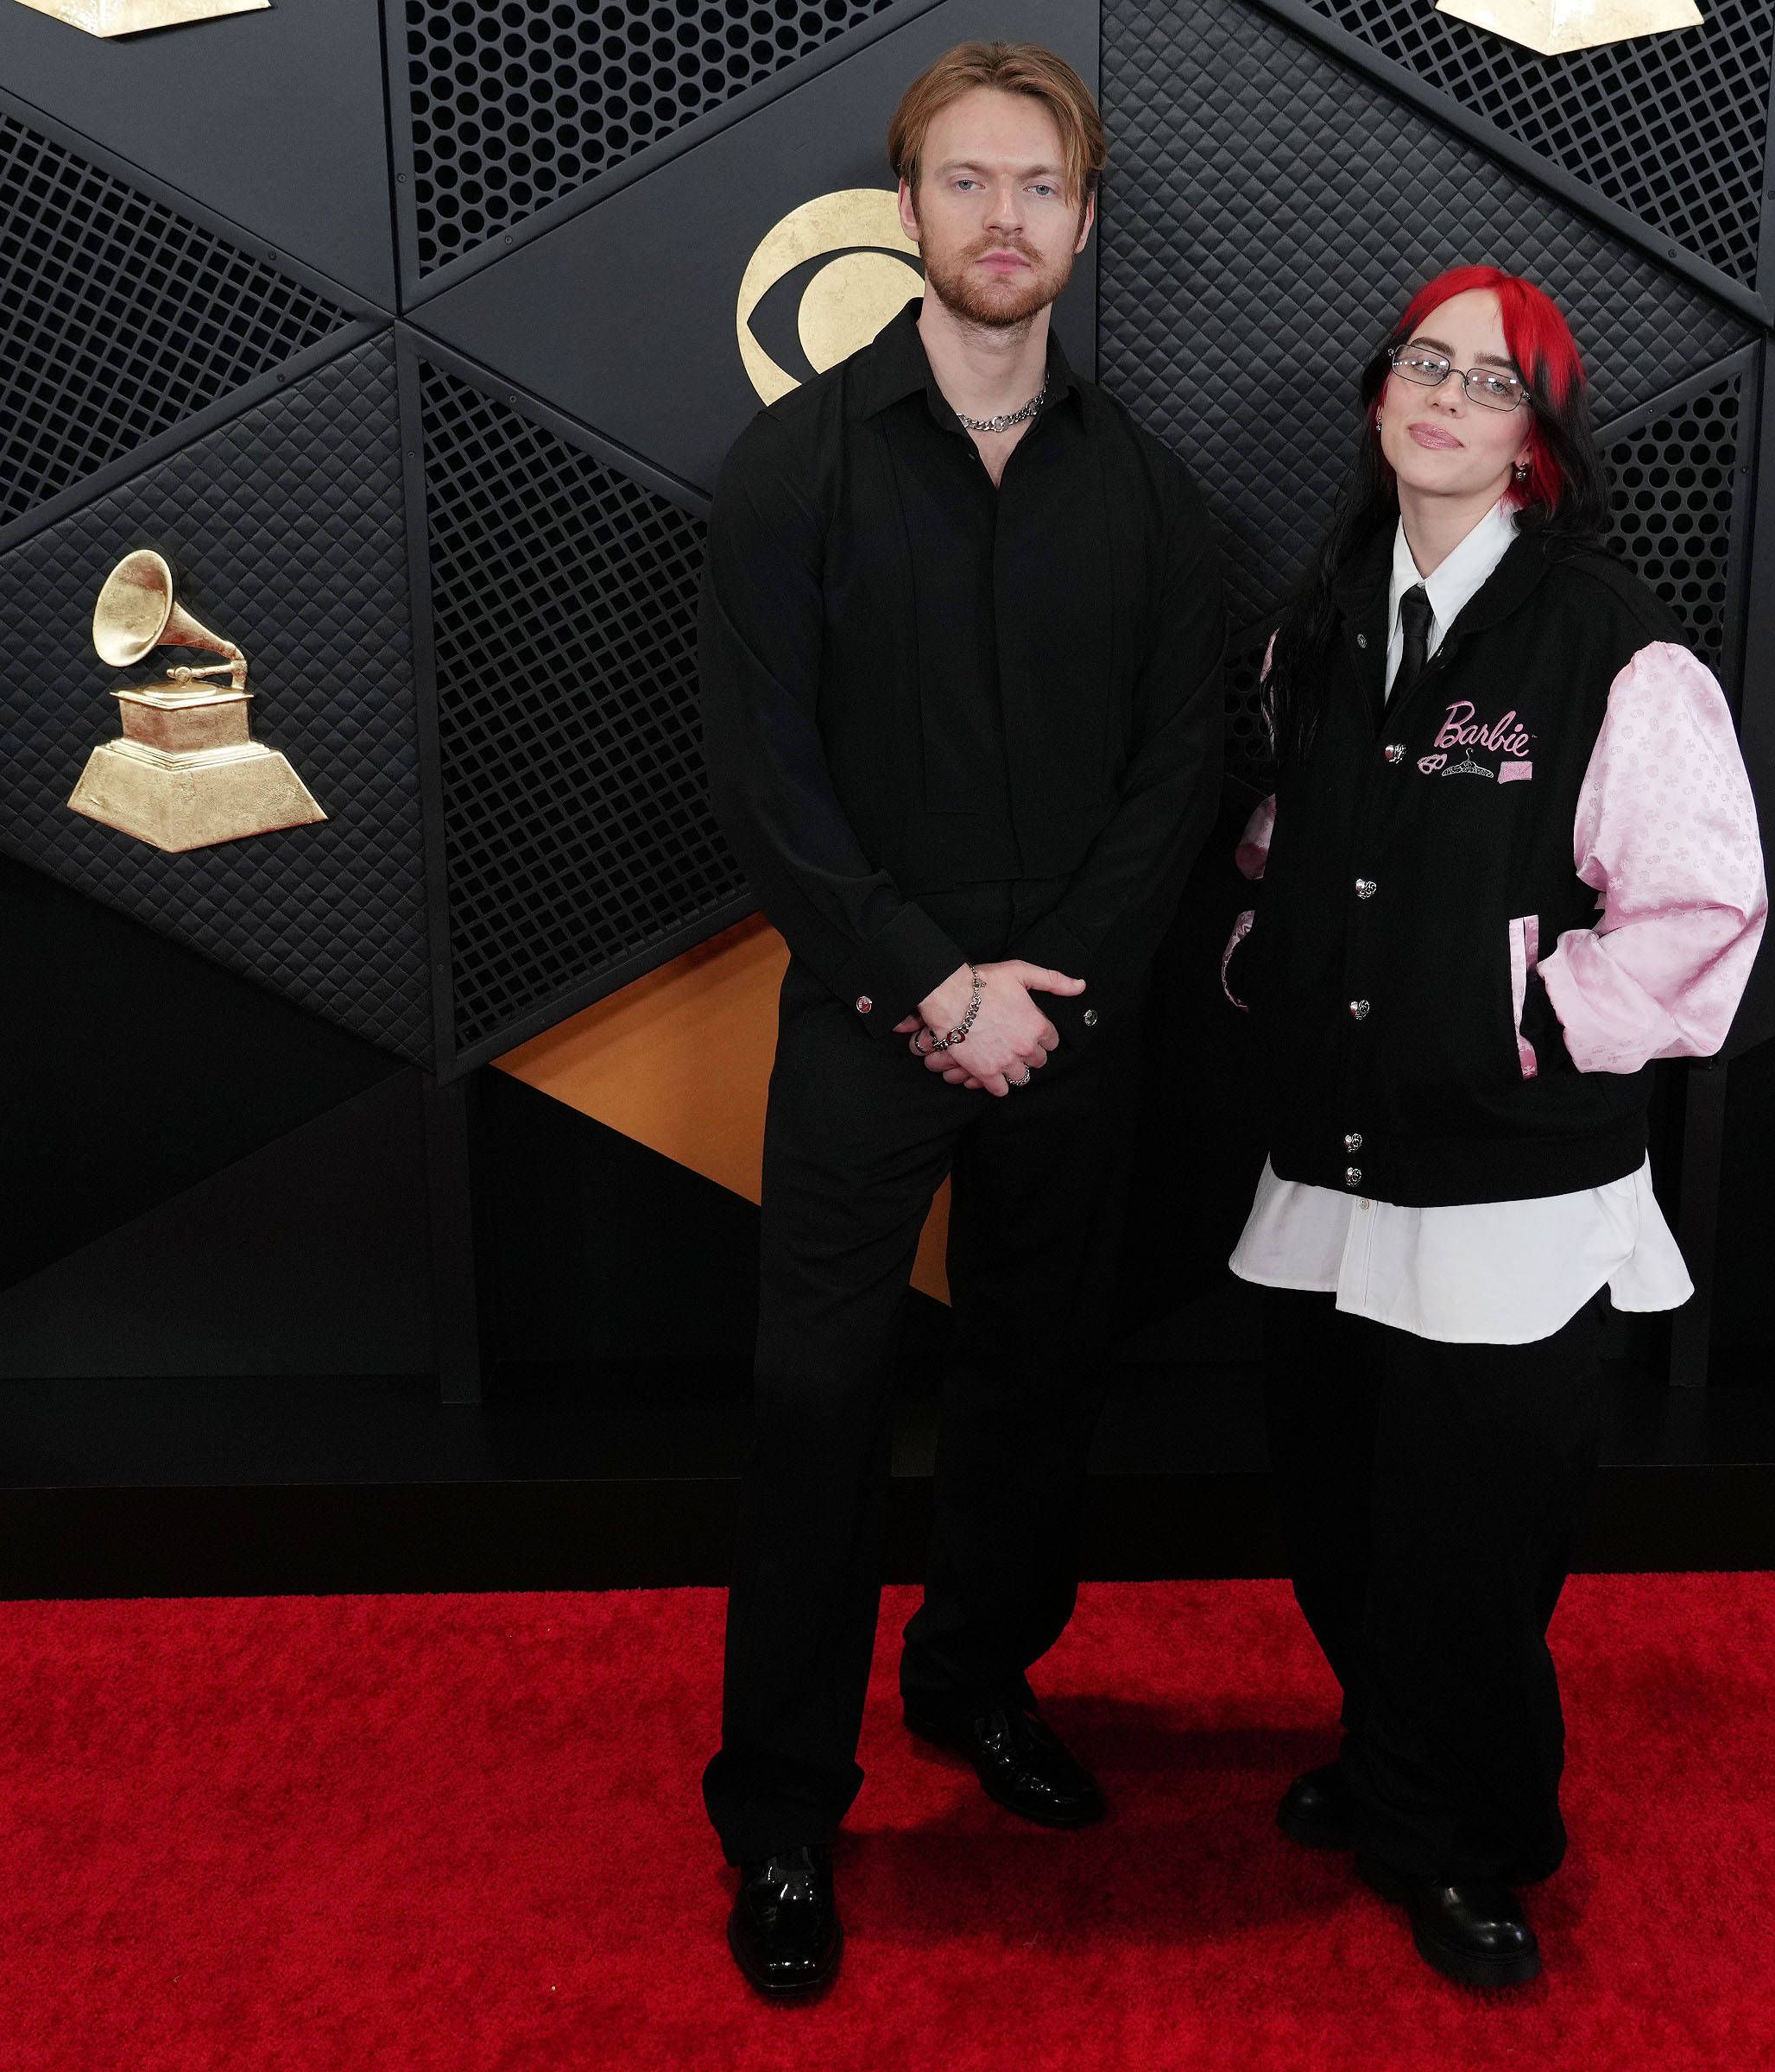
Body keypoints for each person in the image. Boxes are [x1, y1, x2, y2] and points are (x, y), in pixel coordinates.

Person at [693, 41, 1224, 1999]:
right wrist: (924, 983)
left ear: (1083, 225)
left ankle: (979, 1685)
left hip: (1072, 1023)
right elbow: (765, 779)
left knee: (1036, 1378)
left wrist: (1046, 995)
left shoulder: (1156, 498)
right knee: (817, 1414)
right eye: (967, 183)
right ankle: (780, 1817)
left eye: (1041, 188)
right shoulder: (794, 472)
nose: (1005, 221)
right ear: (906, 210)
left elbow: (1182, 769)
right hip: (867, 1014)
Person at [1222, 265, 1766, 1987]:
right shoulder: (1313, 627)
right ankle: (1392, 1757)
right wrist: (1273, 958)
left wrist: (1521, 1027)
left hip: (1511, 1185)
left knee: (1471, 1541)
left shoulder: (1612, 642)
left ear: (1536, 439)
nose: (1446, 394)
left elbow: (1697, 908)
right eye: (1422, 363)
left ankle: (1469, 1831)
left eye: (1492, 378)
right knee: (1333, 1507)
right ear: (1383, 397)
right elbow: (1270, 847)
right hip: (1327, 1164)